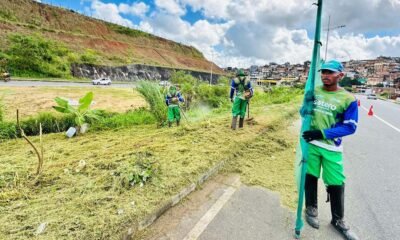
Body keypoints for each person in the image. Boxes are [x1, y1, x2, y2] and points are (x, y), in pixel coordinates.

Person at [302, 60, 359, 240]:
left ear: (340, 75)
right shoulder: (314, 91)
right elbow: (303, 113)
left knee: (336, 182)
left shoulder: (349, 99)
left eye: (330, 73)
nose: (325, 76)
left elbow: (350, 127)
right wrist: (306, 105)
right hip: (311, 144)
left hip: (331, 147)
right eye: (323, 72)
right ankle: (311, 207)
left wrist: (322, 133)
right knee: (310, 176)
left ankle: (338, 220)